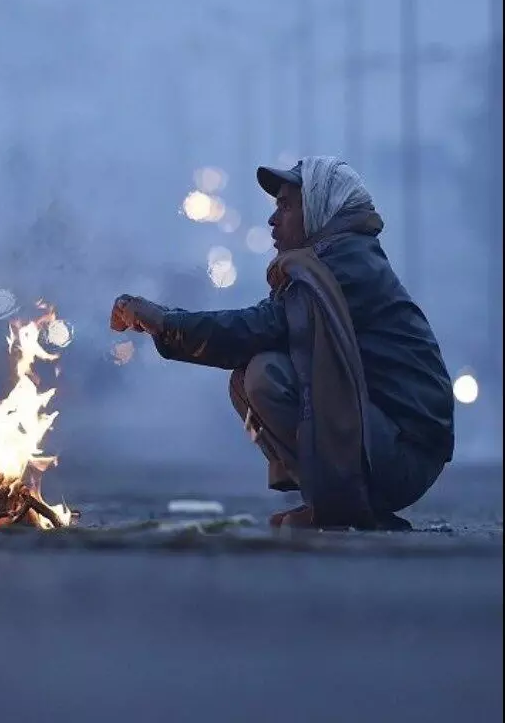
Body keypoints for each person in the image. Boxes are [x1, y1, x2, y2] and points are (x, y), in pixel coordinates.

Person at [110, 156, 454, 530]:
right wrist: (167, 323)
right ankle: (335, 502)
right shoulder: (327, 262)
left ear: (322, 210)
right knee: (249, 376)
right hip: (387, 441)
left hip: (404, 454)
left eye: (287, 206)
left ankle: (344, 507)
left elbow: (257, 327)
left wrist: (165, 322)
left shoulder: (344, 265)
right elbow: (261, 327)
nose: (274, 219)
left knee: (265, 374)